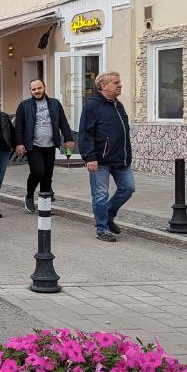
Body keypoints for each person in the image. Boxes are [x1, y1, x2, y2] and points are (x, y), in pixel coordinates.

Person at [77, 71, 134, 243]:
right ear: (103, 86)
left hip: (120, 159)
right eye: (116, 82)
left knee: (128, 188)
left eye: (120, 82)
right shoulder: (92, 106)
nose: (120, 85)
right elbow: (85, 134)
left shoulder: (118, 105)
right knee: (100, 194)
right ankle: (102, 228)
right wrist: (89, 158)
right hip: (99, 160)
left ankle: (108, 215)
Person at [14, 79, 75, 213]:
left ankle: (44, 207)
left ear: (44, 88)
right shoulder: (24, 105)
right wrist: (19, 143)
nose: (37, 91)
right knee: (38, 172)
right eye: (34, 89)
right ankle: (29, 196)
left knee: (47, 176)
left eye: (39, 88)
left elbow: (63, 122)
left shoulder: (54, 104)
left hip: (50, 145)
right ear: (30, 91)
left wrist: (69, 138)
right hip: (33, 145)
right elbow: (19, 127)